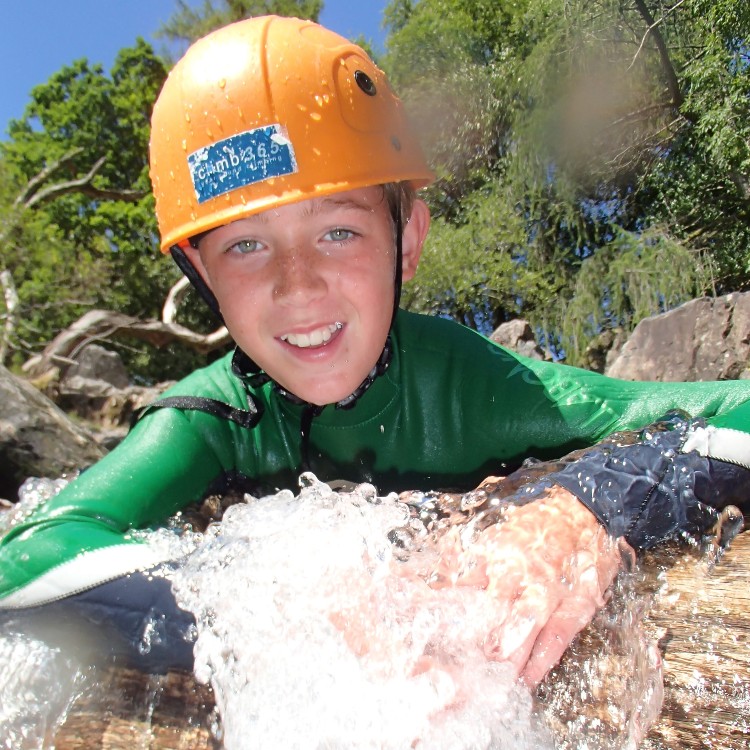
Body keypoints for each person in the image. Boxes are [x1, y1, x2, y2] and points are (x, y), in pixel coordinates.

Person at [1, 15, 749, 686]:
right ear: (202, 275)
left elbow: (738, 412)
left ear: (409, 241)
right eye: (247, 245)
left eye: (339, 231)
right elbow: (25, 565)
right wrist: (271, 615)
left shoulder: (473, 385)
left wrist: (592, 509)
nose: (299, 288)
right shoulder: (212, 417)